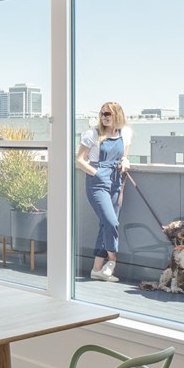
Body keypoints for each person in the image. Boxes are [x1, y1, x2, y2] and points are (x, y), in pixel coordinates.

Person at [76, 102, 133, 282]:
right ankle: (113, 260)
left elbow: (124, 155)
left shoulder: (125, 133)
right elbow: (79, 160)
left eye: (107, 114)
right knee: (111, 222)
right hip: (97, 182)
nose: (104, 117)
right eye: (102, 114)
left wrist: (125, 161)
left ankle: (96, 269)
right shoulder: (93, 134)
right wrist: (97, 173)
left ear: (117, 115)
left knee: (105, 225)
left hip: (116, 181)